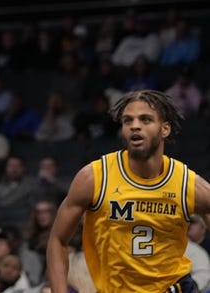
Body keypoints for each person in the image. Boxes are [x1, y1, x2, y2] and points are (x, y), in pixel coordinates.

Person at [47, 89, 210, 293]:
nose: (135, 126)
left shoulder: (188, 184)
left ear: (165, 129)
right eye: (127, 121)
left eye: (145, 120)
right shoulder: (95, 177)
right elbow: (57, 240)